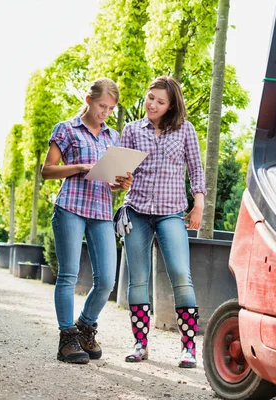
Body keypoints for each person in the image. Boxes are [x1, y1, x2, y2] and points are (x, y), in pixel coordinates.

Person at [41, 78, 133, 364]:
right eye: (101, 106)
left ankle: (85, 327)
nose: (105, 112)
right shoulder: (66, 129)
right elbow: (47, 171)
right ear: (88, 99)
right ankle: (67, 340)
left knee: (106, 279)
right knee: (68, 275)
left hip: (102, 212)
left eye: (110, 108)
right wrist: (80, 167)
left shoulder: (113, 137)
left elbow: (112, 181)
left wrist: (122, 183)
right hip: (71, 207)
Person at [118, 75, 206, 368]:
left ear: (170, 106)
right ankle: (140, 344)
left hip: (171, 211)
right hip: (137, 209)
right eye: (149, 97)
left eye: (159, 101)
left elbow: (196, 168)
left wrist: (199, 204)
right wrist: (121, 180)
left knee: (181, 274)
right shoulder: (131, 130)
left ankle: (188, 348)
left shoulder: (185, 130)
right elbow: (118, 175)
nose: (152, 104)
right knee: (138, 279)